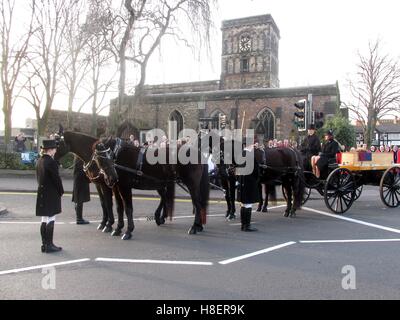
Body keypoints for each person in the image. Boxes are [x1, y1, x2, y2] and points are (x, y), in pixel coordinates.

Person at [36, 139, 64, 253]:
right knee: (51, 218)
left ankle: (44, 244)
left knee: (44, 219)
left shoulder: (40, 161)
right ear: (51, 150)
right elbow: (56, 179)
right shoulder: (51, 162)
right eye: (55, 149)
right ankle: (49, 245)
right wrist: (61, 191)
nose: (56, 151)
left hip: (42, 192)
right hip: (51, 193)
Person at [236, 143, 259, 232]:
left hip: (242, 182)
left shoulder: (240, 155)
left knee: (243, 204)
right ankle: (247, 225)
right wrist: (255, 180)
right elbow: (256, 171)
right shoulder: (250, 156)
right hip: (249, 182)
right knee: (248, 204)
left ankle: (243, 225)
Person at [72, 155, 90, 225]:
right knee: (79, 200)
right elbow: (84, 169)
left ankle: (79, 217)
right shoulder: (80, 158)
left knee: (78, 200)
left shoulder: (77, 157)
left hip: (78, 179)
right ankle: (79, 218)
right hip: (81, 180)